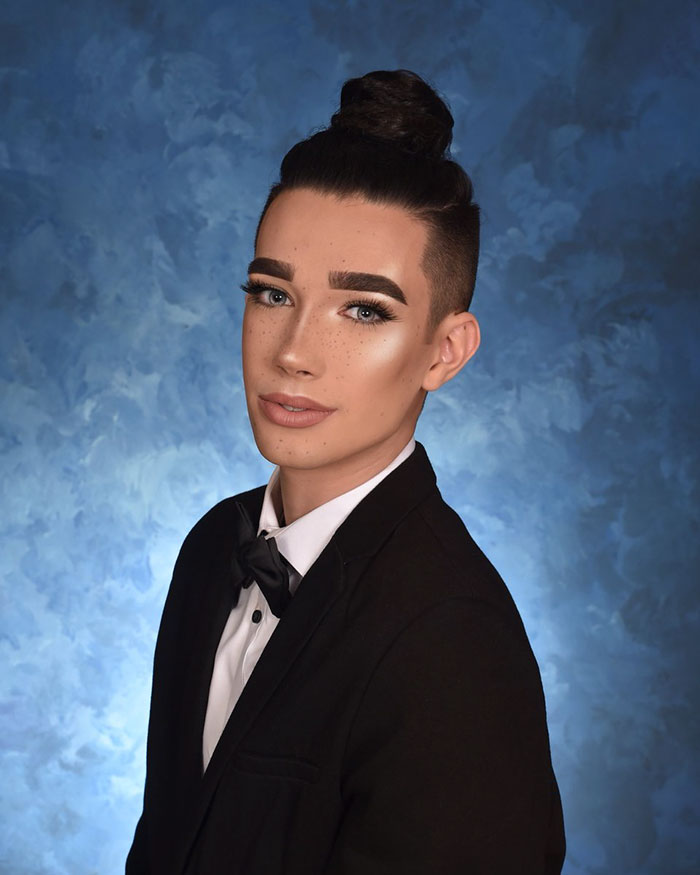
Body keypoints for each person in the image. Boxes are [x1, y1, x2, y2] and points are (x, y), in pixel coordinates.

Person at [126, 69, 565, 874]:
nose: (294, 353)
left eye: (363, 309)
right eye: (272, 293)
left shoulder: (455, 644)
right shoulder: (210, 548)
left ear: (445, 351)